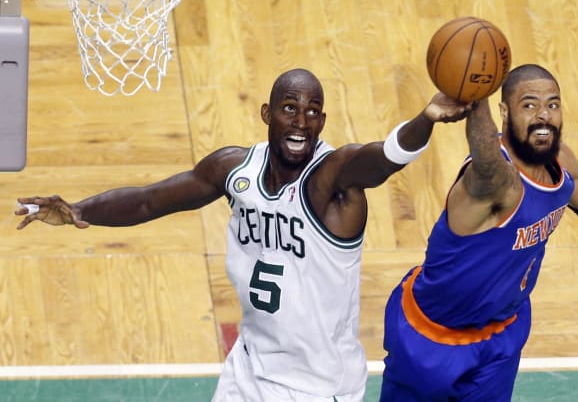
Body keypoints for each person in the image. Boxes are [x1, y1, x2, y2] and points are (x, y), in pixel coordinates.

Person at [15, 68, 474, 401]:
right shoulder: (235, 169)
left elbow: (380, 159)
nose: (301, 122)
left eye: (313, 112)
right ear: (267, 113)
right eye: (290, 109)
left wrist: (426, 118)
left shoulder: (331, 180)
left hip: (314, 387)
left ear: (323, 121)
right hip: (250, 368)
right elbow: (148, 201)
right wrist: (79, 210)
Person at [379, 64, 578, 401]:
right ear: (504, 113)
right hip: (431, 340)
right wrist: (476, 97)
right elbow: (487, 165)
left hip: (502, 334)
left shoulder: (561, 163)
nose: (543, 115)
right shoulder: (491, 184)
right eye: (529, 105)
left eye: (553, 105)